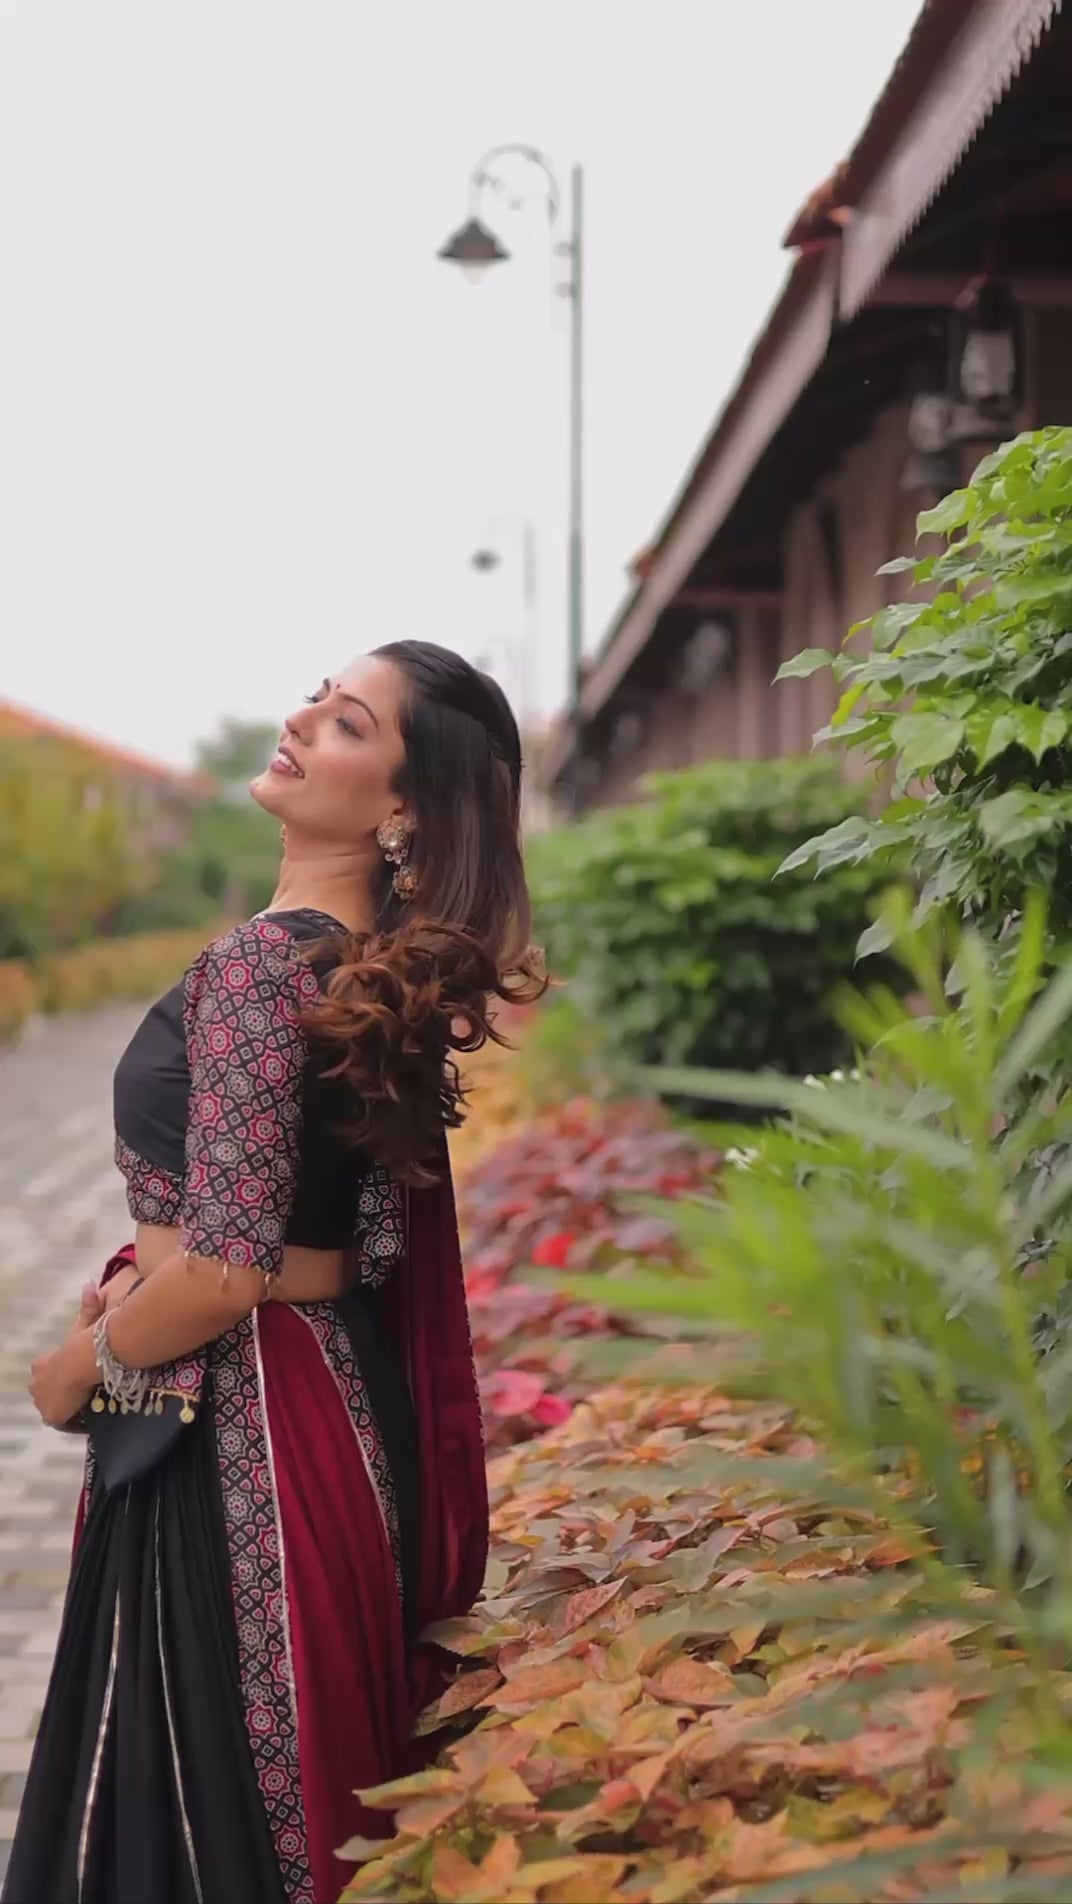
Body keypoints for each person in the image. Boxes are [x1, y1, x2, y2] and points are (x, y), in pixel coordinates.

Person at [7, 640, 542, 1904]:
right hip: (339, 1423)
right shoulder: (366, 972)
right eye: (317, 697)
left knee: (213, 1815)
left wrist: (76, 1367)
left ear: (405, 807)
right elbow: (368, 1247)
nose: (301, 721)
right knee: (298, 1799)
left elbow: (228, 1268)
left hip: (235, 1420)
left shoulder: (264, 965)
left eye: (349, 722)